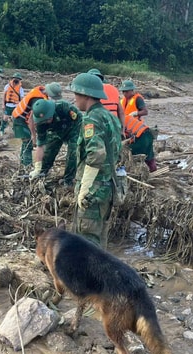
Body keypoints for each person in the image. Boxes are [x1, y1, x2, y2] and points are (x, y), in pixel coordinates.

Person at [69, 72, 121, 248]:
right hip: (107, 187)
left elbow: (97, 154)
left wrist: (85, 187)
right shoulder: (110, 117)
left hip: (94, 190)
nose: (75, 99)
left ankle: (89, 276)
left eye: (76, 95)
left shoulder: (91, 119)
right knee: (99, 239)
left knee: (86, 243)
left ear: (86, 95)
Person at [30, 98, 82, 186]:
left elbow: (80, 121)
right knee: (48, 152)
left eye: (48, 119)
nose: (47, 121)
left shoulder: (63, 107)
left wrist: (79, 139)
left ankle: (68, 180)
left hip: (73, 129)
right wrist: (37, 166)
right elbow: (40, 146)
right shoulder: (41, 123)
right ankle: (42, 174)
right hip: (56, 132)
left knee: (73, 154)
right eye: (45, 120)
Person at [11, 85, 47, 167]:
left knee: (25, 143)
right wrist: (34, 136)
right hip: (19, 119)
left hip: (20, 117)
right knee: (28, 143)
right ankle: (28, 167)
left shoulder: (41, 92)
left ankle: (22, 165)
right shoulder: (37, 100)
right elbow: (31, 120)